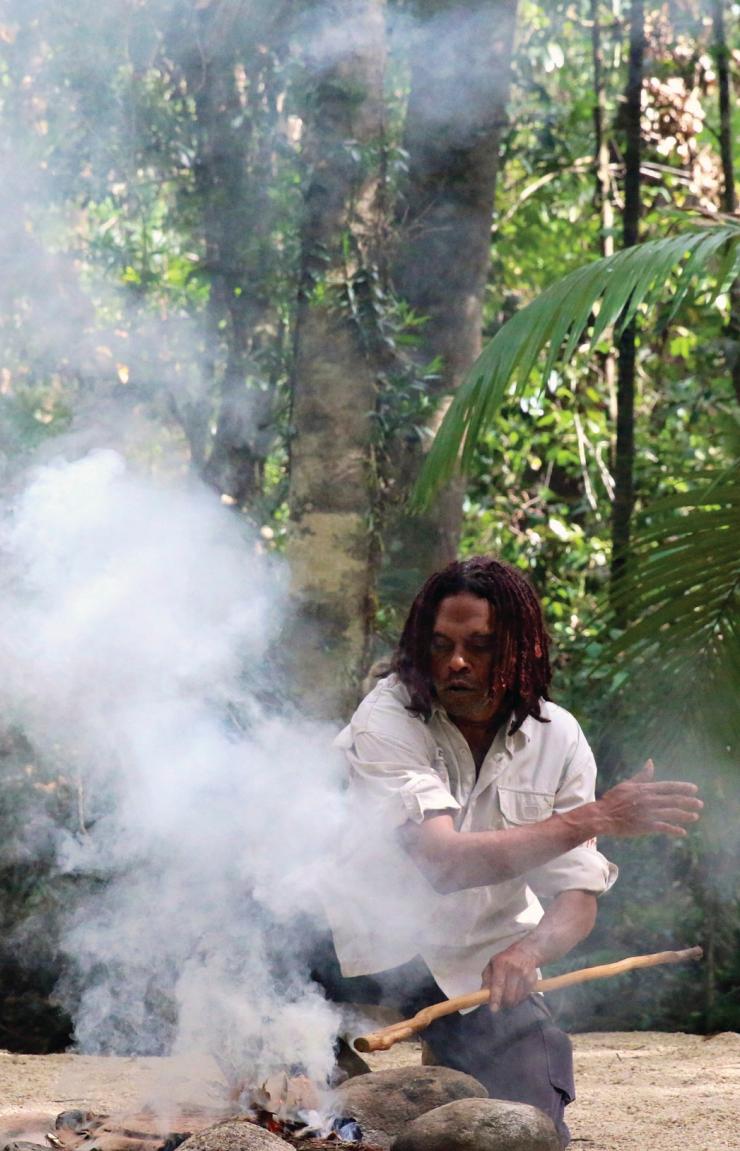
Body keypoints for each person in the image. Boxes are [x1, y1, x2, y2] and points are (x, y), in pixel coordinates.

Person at [319, 556, 702, 1146]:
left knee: (526, 1125)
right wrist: (596, 816)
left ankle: (447, 1067)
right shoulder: (387, 716)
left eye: (480, 646)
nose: (457, 662)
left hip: (477, 963)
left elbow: (578, 893)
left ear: (521, 651)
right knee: (278, 1041)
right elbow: (444, 863)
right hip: (357, 945)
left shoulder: (559, 736)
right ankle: (324, 1073)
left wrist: (528, 952)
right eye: (440, 645)